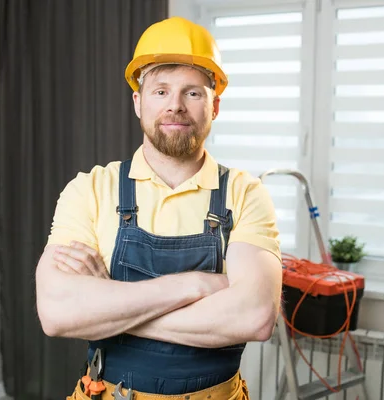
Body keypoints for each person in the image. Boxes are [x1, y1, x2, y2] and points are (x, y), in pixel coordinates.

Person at [35, 16, 283, 400]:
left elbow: (255, 317)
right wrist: (197, 285)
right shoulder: (90, 189)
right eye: (161, 91)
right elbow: (56, 312)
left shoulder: (245, 193)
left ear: (214, 106)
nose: (176, 106)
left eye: (193, 93)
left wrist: (108, 308)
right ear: (138, 102)